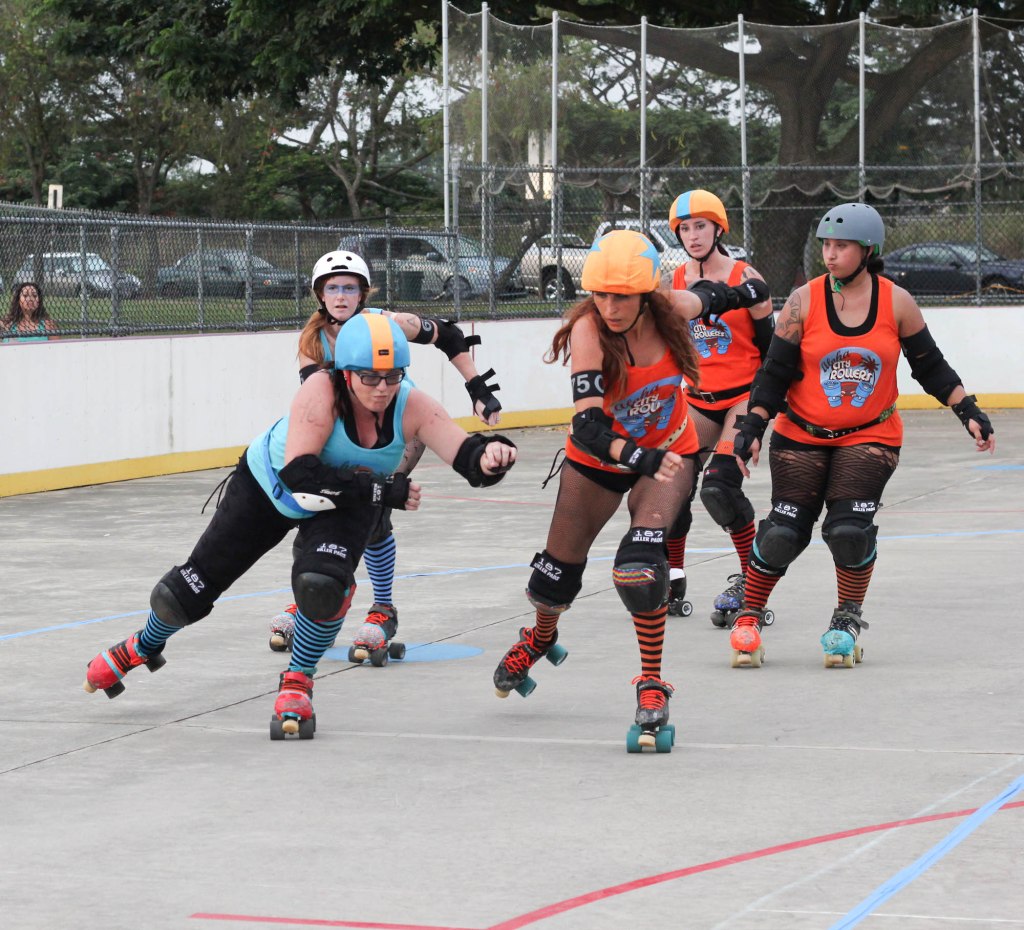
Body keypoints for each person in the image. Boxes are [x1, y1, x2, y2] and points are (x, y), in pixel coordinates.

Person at [83, 314, 518, 738]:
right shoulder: (320, 390)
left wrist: (490, 457)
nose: (383, 388)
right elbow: (300, 476)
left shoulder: (413, 404)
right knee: (184, 594)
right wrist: (380, 488)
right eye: (369, 377)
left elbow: (464, 454)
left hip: (342, 503)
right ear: (345, 373)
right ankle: (143, 644)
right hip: (269, 487)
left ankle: (298, 681)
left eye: (392, 376)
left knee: (323, 586)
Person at [491, 229, 768, 752]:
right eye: (600, 294)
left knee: (639, 569)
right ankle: (542, 636)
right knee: (553, 578)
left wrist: (750, 292)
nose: (610, 307)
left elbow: (720, 296)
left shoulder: (672, 311)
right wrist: (640, 457)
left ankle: (652, 683)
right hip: (601, 458)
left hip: (669, 451)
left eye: (622, 296)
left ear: (647, 294)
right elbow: (588, 428)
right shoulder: (589, 330)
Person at [726, 202, 995, 669]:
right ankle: (749, 615)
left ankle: (846, 618)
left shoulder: (897, 302)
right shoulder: (803, 301)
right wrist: (752, 426)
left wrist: (967, 410)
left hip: (870, 434)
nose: (830, 255)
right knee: (783, 533)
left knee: (849, 531)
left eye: (842, 246)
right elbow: (774, 373)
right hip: (801, 432)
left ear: (868, 251)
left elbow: (929, 366)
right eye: (826, 245)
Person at [267, 250, 503, 662]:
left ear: (363, 293)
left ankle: (382, 608)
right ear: (320, 295)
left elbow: (448, 335)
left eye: (350, 288)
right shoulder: (311, 340)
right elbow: (319, 400)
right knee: (320, 508)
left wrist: (477, 388)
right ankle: (315, 598)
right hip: (344, 434)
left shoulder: (386, 322)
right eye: (333, 288)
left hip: (396, 429)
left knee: (373, 513)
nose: (341, 296)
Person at [662, 189, 774, 626]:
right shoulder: (674, 281)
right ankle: (672, 578)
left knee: (720, 488)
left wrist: (761, 417)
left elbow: (771, 353)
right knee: (671, 488)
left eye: (701, 226)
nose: (693, 236)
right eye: (685, 229)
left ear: (718, 229)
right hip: (696, 398)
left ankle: (751, 582)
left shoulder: (747, 277)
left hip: (742, 397)